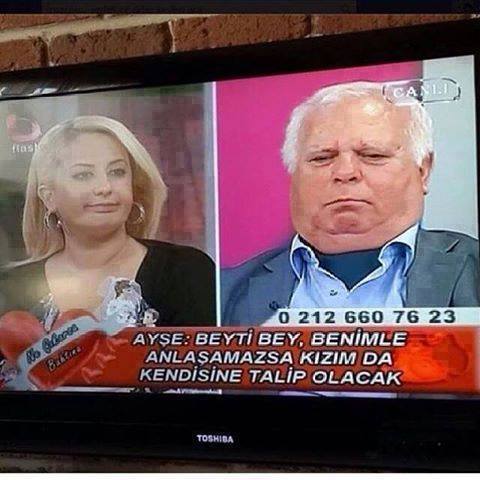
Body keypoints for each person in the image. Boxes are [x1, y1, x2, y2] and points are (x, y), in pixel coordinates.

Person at [222, 81, 479, 326]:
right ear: (293, 174)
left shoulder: (472, 269)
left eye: (372, 155)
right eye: (322, 158)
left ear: (423, 170)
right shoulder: (227, 291)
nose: (345, 172)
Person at [0, 115, 216, 333]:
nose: (105, 187)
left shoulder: (185, 271)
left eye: (117, 172)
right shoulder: (10, 288)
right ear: (49, 197)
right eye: (83, 175)